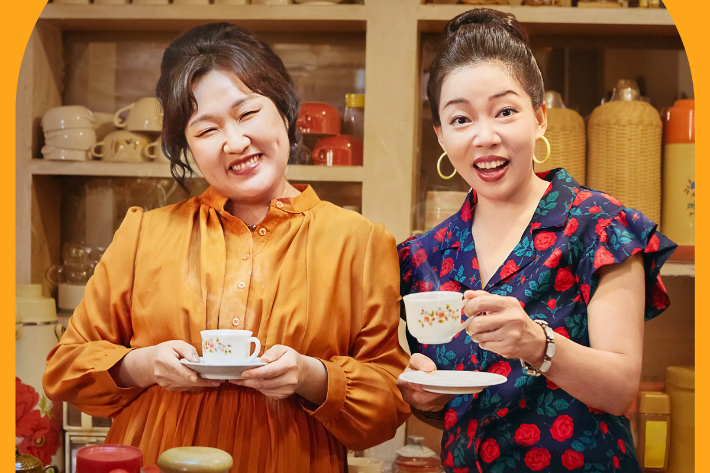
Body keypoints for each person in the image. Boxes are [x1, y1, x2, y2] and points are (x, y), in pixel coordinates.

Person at [43, 22, 409, 472]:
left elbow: (389, 404)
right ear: (187, 147)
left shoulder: (359, 242)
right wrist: (143, 365)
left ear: (284, 111)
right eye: (206, 130)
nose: (235, 142)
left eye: (247, 113)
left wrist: (312, 377)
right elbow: (66, 369)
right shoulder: (144, 234)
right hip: (159, 459)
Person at [396, 9, 676, 473]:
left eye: (505, 111)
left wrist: (537, 344)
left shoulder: (599, 226)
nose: (485, 136)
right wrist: (424, 396)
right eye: (461, 119)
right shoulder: (426, 255)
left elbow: (620, 388)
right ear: (441, 135)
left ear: (540, 117)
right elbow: (446, 409)